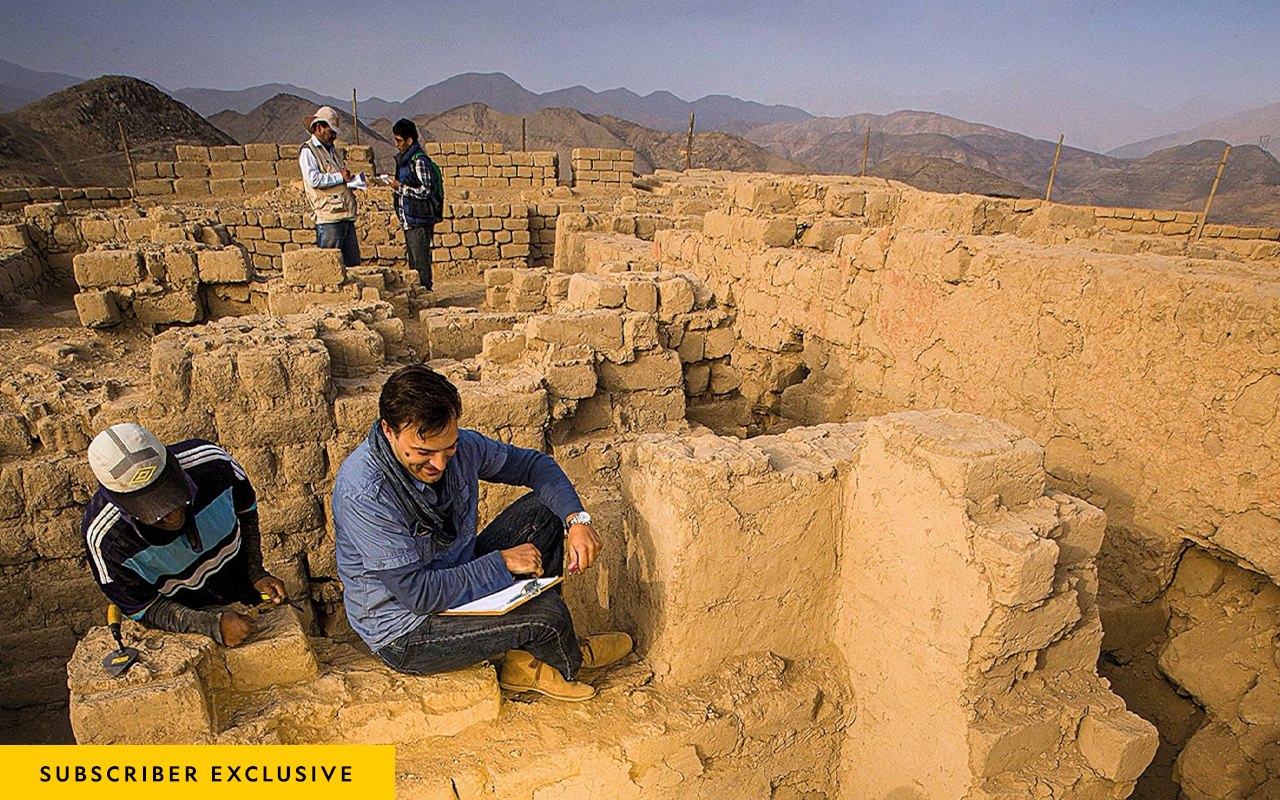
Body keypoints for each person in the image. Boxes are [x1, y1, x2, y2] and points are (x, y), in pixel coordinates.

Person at [332, 365, 632, 701]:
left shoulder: (462, 448)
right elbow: (419, 595)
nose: (439, 464)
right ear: (389, 430)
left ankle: (526, 659)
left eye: (448, 449)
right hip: (408, 628)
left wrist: (577, 519)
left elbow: (535, 466)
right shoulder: (364, 492)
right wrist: (501, 564)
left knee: (545, 509)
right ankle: (563, 658)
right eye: (424, 453)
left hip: (452, 571)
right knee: (548, 614)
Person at [81, 423, 288, 647]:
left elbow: (246, 511)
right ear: (124, 506)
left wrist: (255, 572)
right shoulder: (106, 539)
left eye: (175, 499)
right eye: (156, 514)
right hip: (180, 624)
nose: (173, 517)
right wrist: (208, 625)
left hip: (238, 586)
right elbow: (143, 608)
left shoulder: (213, 464)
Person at [299, 105, 360, 267]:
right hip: (329, 218)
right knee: (331, 267)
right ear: (318, 128)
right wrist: (339, 176)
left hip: (344, 215)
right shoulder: (308, 151)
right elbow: (314, 179)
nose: (333, 136)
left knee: (352, 267)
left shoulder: (331, 151)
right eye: (331, 131)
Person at [389, 118, 442, 291]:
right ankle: (419, 295)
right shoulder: (405, 160)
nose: (396, 144)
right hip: (409, 219)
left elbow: (425, 191)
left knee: (421, 263)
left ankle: (425, 294)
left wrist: (401, 188)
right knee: (414, 262)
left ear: (409, 140)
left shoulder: (419, 161)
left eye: (399, 140)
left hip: (419, 220)